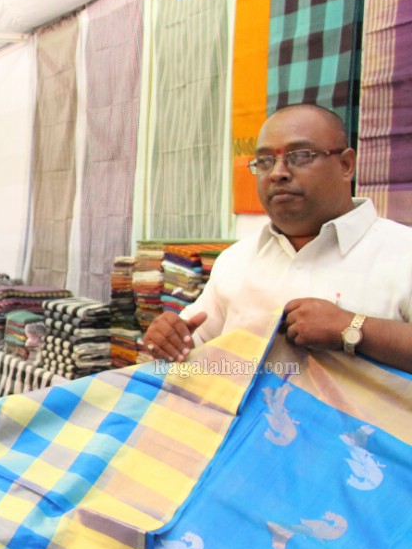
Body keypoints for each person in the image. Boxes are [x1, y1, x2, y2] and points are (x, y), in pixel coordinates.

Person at [143, 103, 412, 373]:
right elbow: (193, 344)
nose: (277, 172)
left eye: (300, 156)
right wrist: (169, 339)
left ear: (345, 164)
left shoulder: (402, 252)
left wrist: (353, 328)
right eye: (264, 161)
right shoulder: (236, 261)